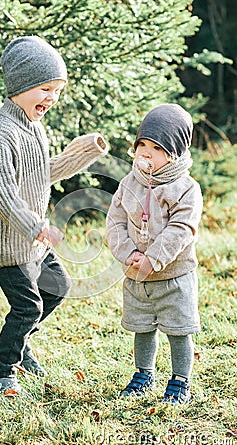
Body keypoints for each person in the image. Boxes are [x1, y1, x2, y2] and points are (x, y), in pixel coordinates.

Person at [0, 35, 108, 396]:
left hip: (31, 237)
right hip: (5, 242)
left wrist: (82, 153)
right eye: (45, 88)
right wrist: (37, 226)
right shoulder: (3, 134)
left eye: (57, 91)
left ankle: (20, 346)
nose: (52, 98)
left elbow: (40, 171)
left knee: (58, 287)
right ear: (20, 85)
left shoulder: (32, 126)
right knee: (28, 305)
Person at [106, 104, 203, 405]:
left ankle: (180, 380)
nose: (145, 153)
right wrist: (129, 253)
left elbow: (180, 229)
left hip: (174, 277)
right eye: (142, 146)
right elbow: (115, 221)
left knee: (178, 330)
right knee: (142, 327)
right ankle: (143, 374)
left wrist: (153, 258)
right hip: (137, 276)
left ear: (174, 153)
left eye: (156, 148)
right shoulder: (129, 183)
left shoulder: (185, 189)